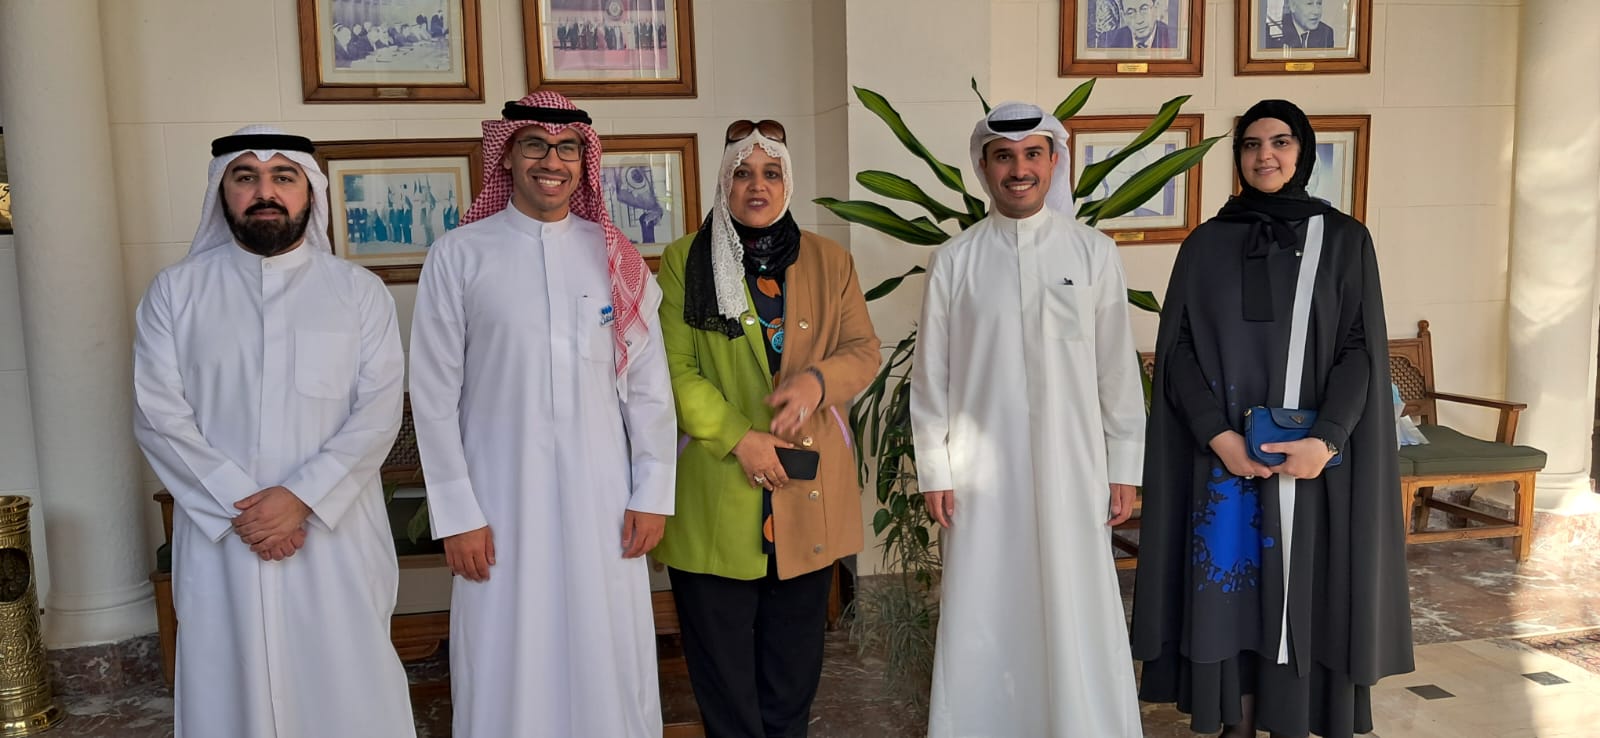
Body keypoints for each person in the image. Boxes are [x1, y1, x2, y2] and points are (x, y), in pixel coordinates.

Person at [1130, 99, 1413, 738]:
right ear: (1237, 157)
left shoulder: (1343, 240)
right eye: (1252, 144)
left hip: (1312, 467)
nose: (1266, 156)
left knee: (1304, 588)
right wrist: (1219, 437)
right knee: (1231, 587)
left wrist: (1326, 440)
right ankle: (1235, 721)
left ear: (1303, 151)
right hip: (1224, 464)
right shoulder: (1205, 244)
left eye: (1280, 142)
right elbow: (1178, 351)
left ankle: (1293, 721)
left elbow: (1361, 350)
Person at [408, 91, 677, 738]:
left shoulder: (615, 256)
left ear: (586, 161)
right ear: (506, 155)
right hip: (497, 503)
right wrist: (457, 514)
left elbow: (648, 389)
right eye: (535, 145)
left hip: (605, 499)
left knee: (607, 651)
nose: (551, 162)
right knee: (505, 651)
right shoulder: (459, 254)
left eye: (567, 149)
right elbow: (433, 396)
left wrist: (652, 494)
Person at [132, 126, 414, 738]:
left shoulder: (358, 293)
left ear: (308, 191)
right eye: (246, 177)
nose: (266, 192)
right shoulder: (175, 293)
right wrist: (245, 508)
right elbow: (158, 415)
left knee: (347, 686)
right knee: (228, 688)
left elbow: (377, 413)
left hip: (333, 534)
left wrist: (300, 499)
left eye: (283, 177)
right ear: (222, 191)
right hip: (224, 537)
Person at [909, 102, 1146, 737]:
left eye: (1033, 155)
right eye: (1004, 157)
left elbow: (1116, 370)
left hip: (1075, 468)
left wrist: (1123, 465)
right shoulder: (954, 260)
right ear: (984, 167)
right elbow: (932, 379)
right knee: (984, 604)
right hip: (980, 480)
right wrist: (936, 471)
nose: (1020, 170)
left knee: (1075, 601)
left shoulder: (1093, 253)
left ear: (1053, 162)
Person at [651, 118, 880, 738]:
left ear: (788, 182)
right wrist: (741, 438)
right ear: (723, 184)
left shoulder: (830, 260)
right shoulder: (684, 261)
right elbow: (673, 369)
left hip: (807, 491)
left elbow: (863, 350)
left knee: (792, 671)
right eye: (743, 174)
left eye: (771, 173)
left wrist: (817, 383)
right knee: (723, 676)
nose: (758, 186)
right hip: (717, 488)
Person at [1106, 0, 1176, 49]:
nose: (1139, 20)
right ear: (1123, 16)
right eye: (1130, 13)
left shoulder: (1174, 39)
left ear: (1156, 8)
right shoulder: (1110, 42)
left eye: (1144, 9)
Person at [1269, 0, 1335, 49]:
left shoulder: (1326, 32)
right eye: (1309, 4)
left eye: (1319, 3)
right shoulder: (1275, 32)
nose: (1316, 12)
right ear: (1293, 6)